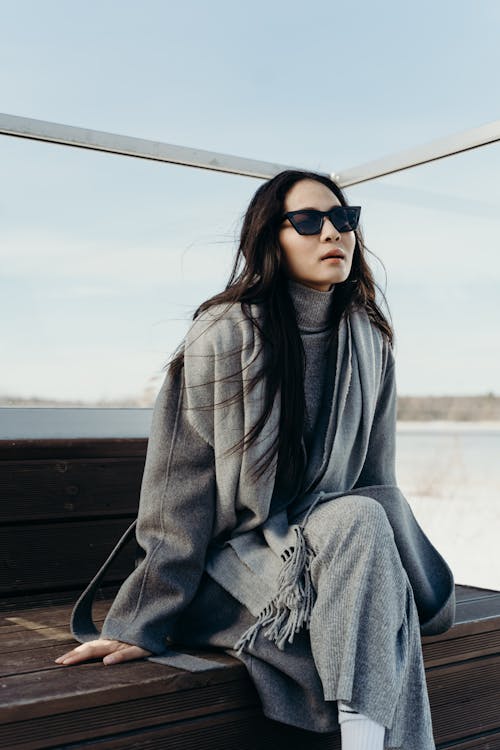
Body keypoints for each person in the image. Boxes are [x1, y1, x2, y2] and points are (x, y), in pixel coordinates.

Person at [55, 169, 456, 750]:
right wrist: (142, 620)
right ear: (272, 237)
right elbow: (179, 490)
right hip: (235, 571)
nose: (332, 234)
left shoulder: (369, 340)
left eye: (344, 219)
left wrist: (388, 580)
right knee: (365, 548)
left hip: (342, 559)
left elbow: (374, 480)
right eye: (309, 221)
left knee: (365, 518)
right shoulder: (221, 336)